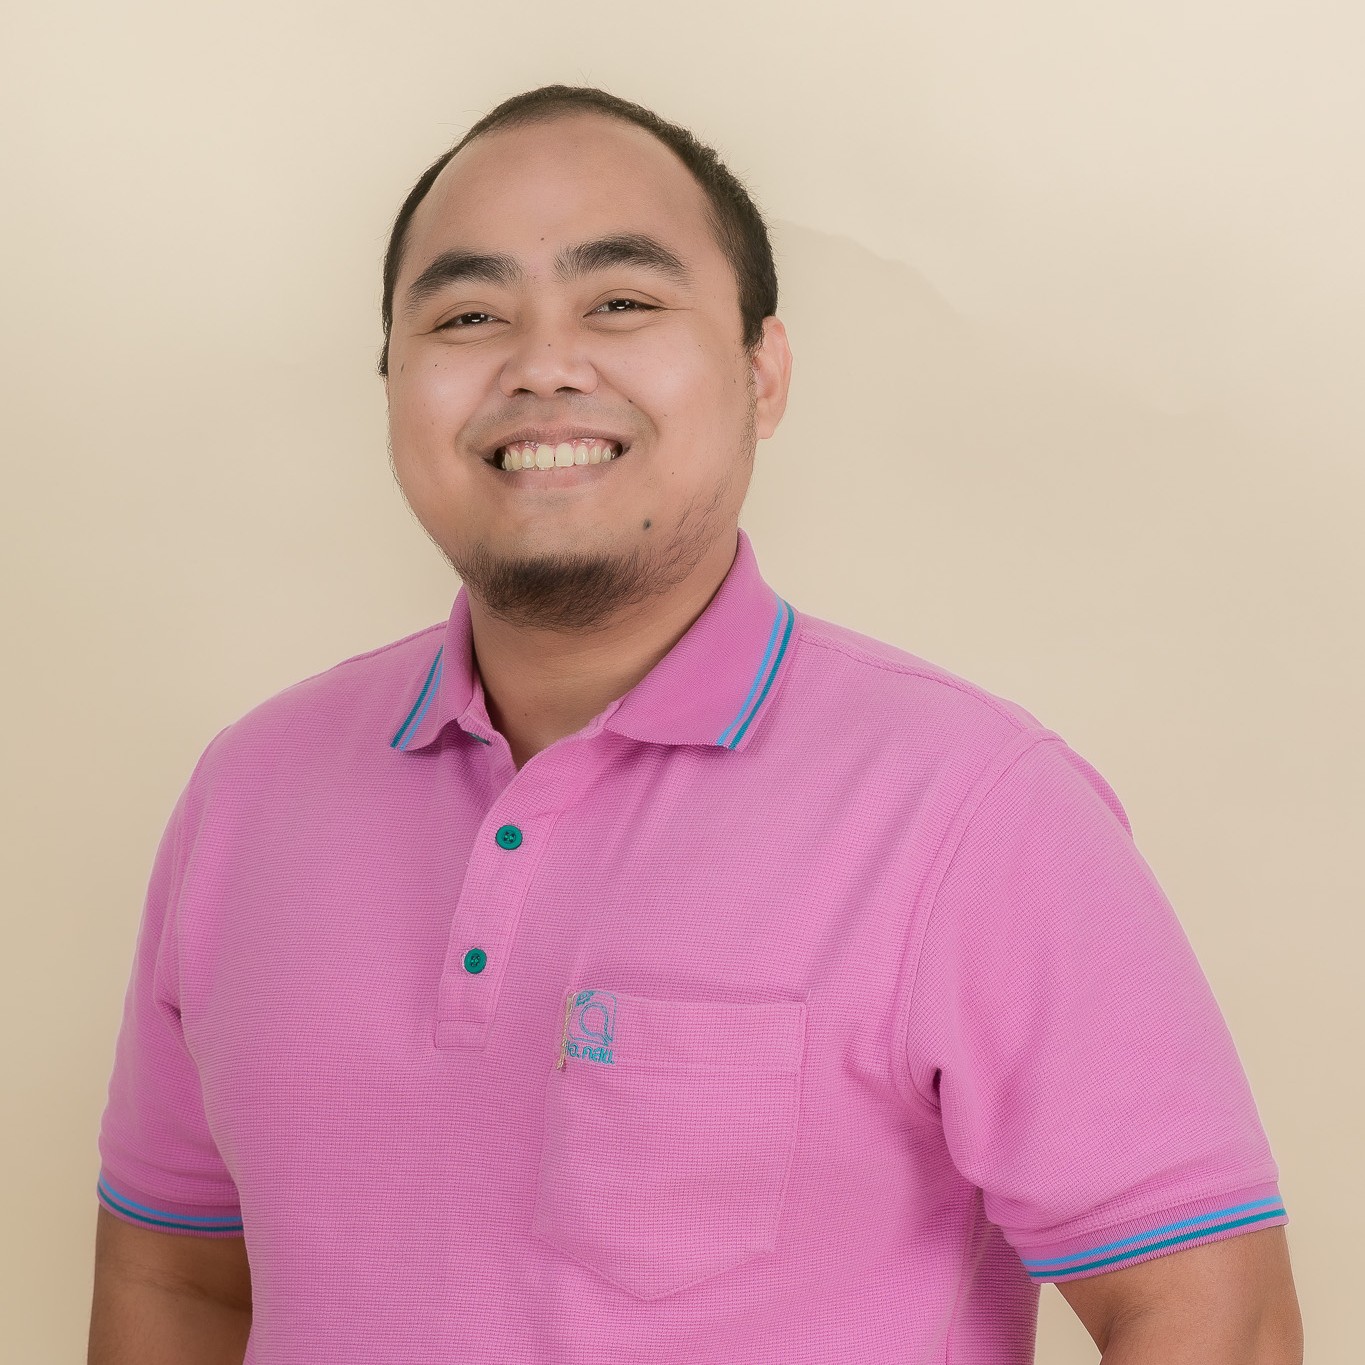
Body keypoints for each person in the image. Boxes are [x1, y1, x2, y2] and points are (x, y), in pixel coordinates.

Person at [88, 85, 1303, 1364]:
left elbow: (1216, 1317)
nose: (543, 364)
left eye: (621, 302)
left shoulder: (972, 805)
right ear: (392, 382)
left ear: (760, 373)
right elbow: (177, 1285)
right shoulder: (251, 793)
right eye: (468, 316)